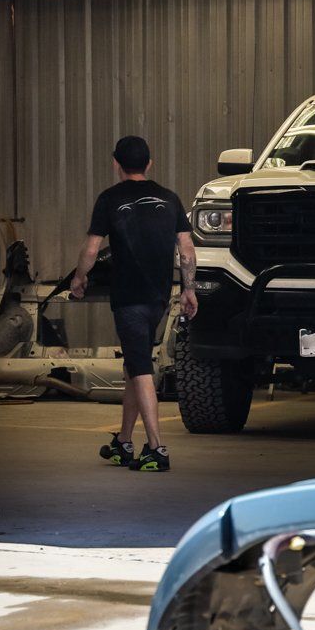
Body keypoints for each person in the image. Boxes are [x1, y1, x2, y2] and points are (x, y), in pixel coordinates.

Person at [69, 134, 197, 473]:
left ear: (116, 163)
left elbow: (92, 250)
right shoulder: (169, 199)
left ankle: (157, 447)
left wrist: (80, 278)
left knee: (140, 369)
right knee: (133, 365)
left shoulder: (109, 199)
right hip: (157, 297)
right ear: (149, 163)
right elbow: (186, 250)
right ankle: (124, 442)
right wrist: (188, 290)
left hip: (128, 299)